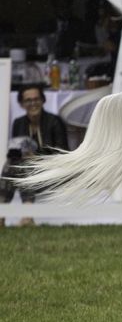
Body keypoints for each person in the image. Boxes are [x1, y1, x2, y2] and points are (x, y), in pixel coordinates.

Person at [0, 85, 69, 226]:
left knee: (25, 164)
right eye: (28, 100)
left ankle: (24, 214)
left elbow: (63, 151)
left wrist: (36, 156)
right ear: (21, 104)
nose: (33, 103)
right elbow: (14, 149)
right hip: (27, 170)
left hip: (52, 170)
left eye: (36, 99)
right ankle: (5, 212)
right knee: (12, 163)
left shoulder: (54, 121)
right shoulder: (18, 123)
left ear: (43, 101)